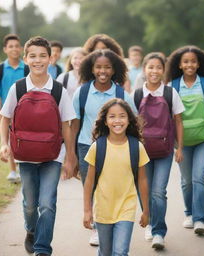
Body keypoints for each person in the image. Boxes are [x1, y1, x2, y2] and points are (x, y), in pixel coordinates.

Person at [0, 36, 77, 256]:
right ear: (25, 59)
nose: (38, 60)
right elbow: (5, 117)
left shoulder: (58, 90)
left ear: (51, 59)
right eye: (33, 56)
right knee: (30, 204)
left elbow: (67, 125)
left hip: (52, 156)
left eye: (43, 56)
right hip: (25, 155)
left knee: (47, 204)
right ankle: (31, 230)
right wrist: (4, 144)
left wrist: (70, 157)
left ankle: (43, 248)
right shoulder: (19, 87)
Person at [72, 49, 137, 246]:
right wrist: (71, 155)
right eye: (98, 67)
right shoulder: (82, 93)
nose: (103, 71)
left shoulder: (121, 94)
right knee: (90, 187)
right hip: (86, 146)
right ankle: (96, 228)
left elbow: (134, 122)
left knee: (110, 187)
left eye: (107, 67)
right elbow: (74, 124)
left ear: (114, 69)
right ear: (91, 69)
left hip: (114, 147)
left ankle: (115, 221)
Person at [165, 45, 204, 235]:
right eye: (186, 61)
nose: (190, 64)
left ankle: (200, 219)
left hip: (203, 138)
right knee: (186, 181)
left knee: (198, 177)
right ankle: (189, 213)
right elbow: (168, 116)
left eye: (193, 61)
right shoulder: (173, 86)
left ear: (199, 63)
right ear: (179, 64)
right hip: (181, 142)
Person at [83, 98, 149, 256]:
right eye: (112, 117)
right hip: (103, 209)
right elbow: (89, 181)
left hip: (127, 207)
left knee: (120, 252)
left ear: (129, 120)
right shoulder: (97, 147)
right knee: (105, 252)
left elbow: (143, 180)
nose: (117, 121)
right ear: (105, 121)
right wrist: (87, 210)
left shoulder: (136, 147)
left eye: (122, 116)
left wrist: (146, 210)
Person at [133, 52, 184, 250]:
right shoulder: (137, 95)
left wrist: (180, 147)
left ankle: (158, 232)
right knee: (143, 190)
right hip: (142, 151)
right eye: (151, 67)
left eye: (158, 67)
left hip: (165, 150)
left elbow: (178, 121)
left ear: (164, 71)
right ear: (144, 70)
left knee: (158, 191)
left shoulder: (170, 93)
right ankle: (150, 219)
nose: (154, 71)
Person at [0, 33, 29, 183]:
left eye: (17, 46)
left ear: (21, 49)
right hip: (7, 113)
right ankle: (13, 171)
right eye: (10, 46)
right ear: (5, 49)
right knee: (10, 141)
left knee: (24, 141)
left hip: (26, 112)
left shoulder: (27, 69)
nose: (14, 49)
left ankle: (22, 168)